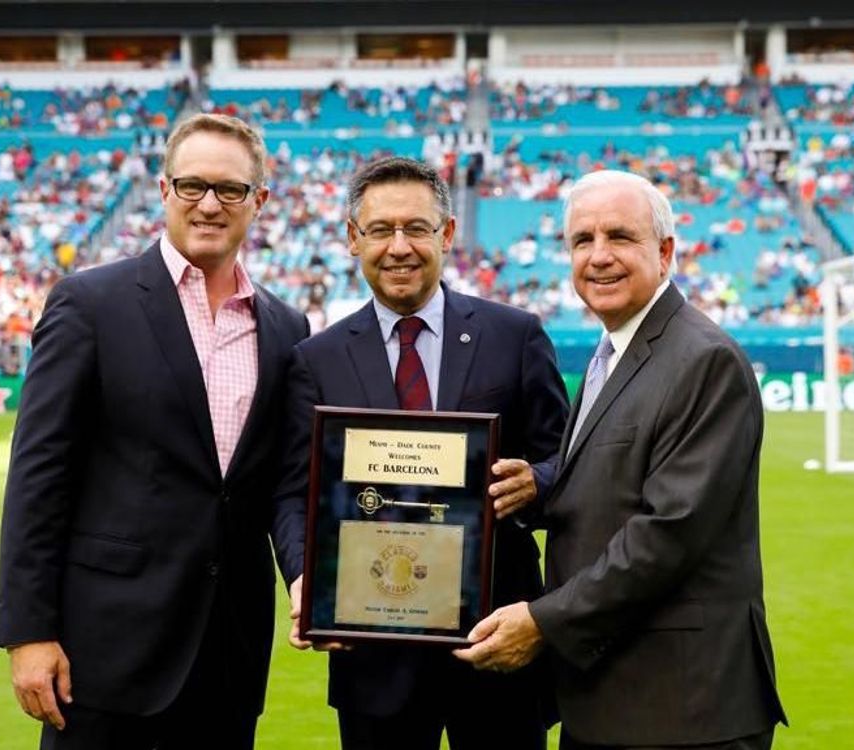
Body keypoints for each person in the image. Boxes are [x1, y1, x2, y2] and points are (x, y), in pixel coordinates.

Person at [0, 113, 310, 749]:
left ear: (261, 201)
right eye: (192, 185)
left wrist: (308, 576)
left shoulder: (287, 327)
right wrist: (28, 632)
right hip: (104, 653)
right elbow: (38, 475)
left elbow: (285, 482)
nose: (210, 204)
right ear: (164, 191)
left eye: (231, 189)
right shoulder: (89, 304)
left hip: (229, 655)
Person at [454, 170, 788, 749]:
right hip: (613, 694)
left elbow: (669, 533)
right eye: (582, 240)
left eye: (619, 237)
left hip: (682, 706)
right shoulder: (613, 352)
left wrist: (542, 622)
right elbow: (611, 484)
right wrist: (540, 487)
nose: (598, 256)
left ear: (664, 252)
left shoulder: (702, 359)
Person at [272, 156, 569, 750]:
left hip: (495, 645)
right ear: (354, 240)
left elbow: (570, 461)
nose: (399, 247)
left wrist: (535, 481)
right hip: (372, 658)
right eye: (380, 230)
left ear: (448, 235)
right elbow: (291, 492)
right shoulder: (317, 359)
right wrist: (304, 574)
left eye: (417, 228)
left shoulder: (514, 336)